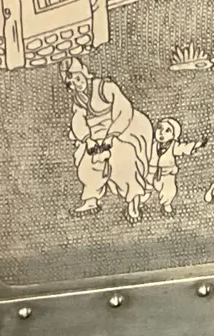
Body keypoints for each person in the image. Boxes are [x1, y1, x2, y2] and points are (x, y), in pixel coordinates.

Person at [61, 57, 155, 222]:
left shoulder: (104, 87)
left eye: (78, 79)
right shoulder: (79, 100)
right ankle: (91, 200)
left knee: (124, 158)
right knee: (88, 162)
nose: (77, 85)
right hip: (95, 137)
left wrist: (112, 135)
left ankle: (133, 202)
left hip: (119, 132)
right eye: (72, 84)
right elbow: (78, 120)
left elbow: (124, 110)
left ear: (84, 73)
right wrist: (87, 139)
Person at [152, 118, 204, 216]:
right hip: (153, 172)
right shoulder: (153, 145)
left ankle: (166, 204)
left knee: (169, 191)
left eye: (167, 130)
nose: (162, 133)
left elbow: (182, 148)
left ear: (173, 135)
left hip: (168, 175)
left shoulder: (173, 146)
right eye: (160, 128)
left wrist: (196, 145)